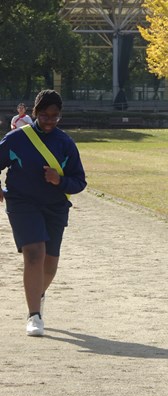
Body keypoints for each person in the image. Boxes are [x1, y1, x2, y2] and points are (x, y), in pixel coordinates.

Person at [0, 90, 87, 336]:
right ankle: (34, 315)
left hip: (54, 206)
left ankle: (37, 295)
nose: (50, 120)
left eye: (55, 116)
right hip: (22, 203)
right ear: (35, 113)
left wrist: (59, 181)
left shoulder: (65, 143)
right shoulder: (16, 139)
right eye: (45, 115)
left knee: (49, 265)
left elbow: (79, 181)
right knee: (35, 254)